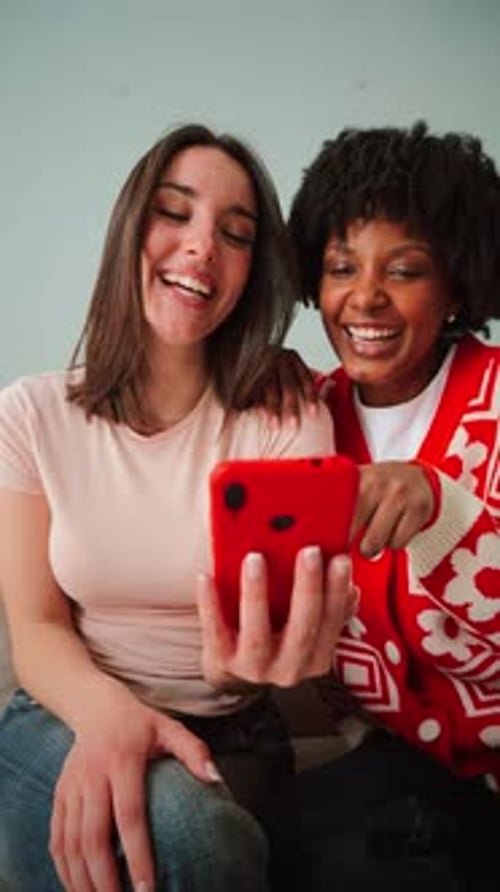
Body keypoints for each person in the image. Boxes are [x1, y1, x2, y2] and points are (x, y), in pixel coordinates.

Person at [0, 123, 356, 892]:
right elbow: (33, 626)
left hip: (233, 735)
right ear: (131, 228)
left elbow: (277, 647)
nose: (202, 247)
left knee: (191, 839)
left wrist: (255, 669)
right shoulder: (29, 415)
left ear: (252, 271)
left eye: (236, 233)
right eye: (175, 212)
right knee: (181, 836)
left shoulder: (286, 419)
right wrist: (111, 717)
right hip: (64, 712)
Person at [268, 121, 500, 891]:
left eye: (403, 270)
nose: (364, 297)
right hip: (405, 772)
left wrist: (445, 507)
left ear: (458, 283)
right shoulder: (303, 420)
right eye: (340, 268)